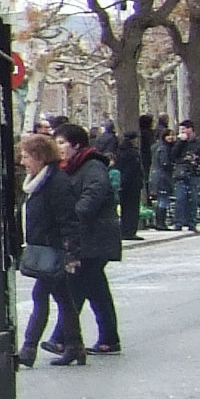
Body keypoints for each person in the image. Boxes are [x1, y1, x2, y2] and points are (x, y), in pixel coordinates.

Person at [55, 118, 122, 358]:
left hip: (96, 237)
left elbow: (93, 195)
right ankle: (108, 338)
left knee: (77, 285)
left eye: (61, 142)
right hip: (87, 238)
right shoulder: (71, 167)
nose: (58, 147)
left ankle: (61, 338)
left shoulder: (92, 166)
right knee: (95, 289)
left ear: (76, 145)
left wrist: (72, 217)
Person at [15, 131, 77, 369]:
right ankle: (75, 346)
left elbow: (67, 218)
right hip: (45, 247)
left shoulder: (56, 183)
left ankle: (28, 348)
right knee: (64, 298)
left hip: (54, 249)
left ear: (40, 156)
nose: (23, 161)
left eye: (26, 156)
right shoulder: (38, 182)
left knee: (40, 296)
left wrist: (71, 251)